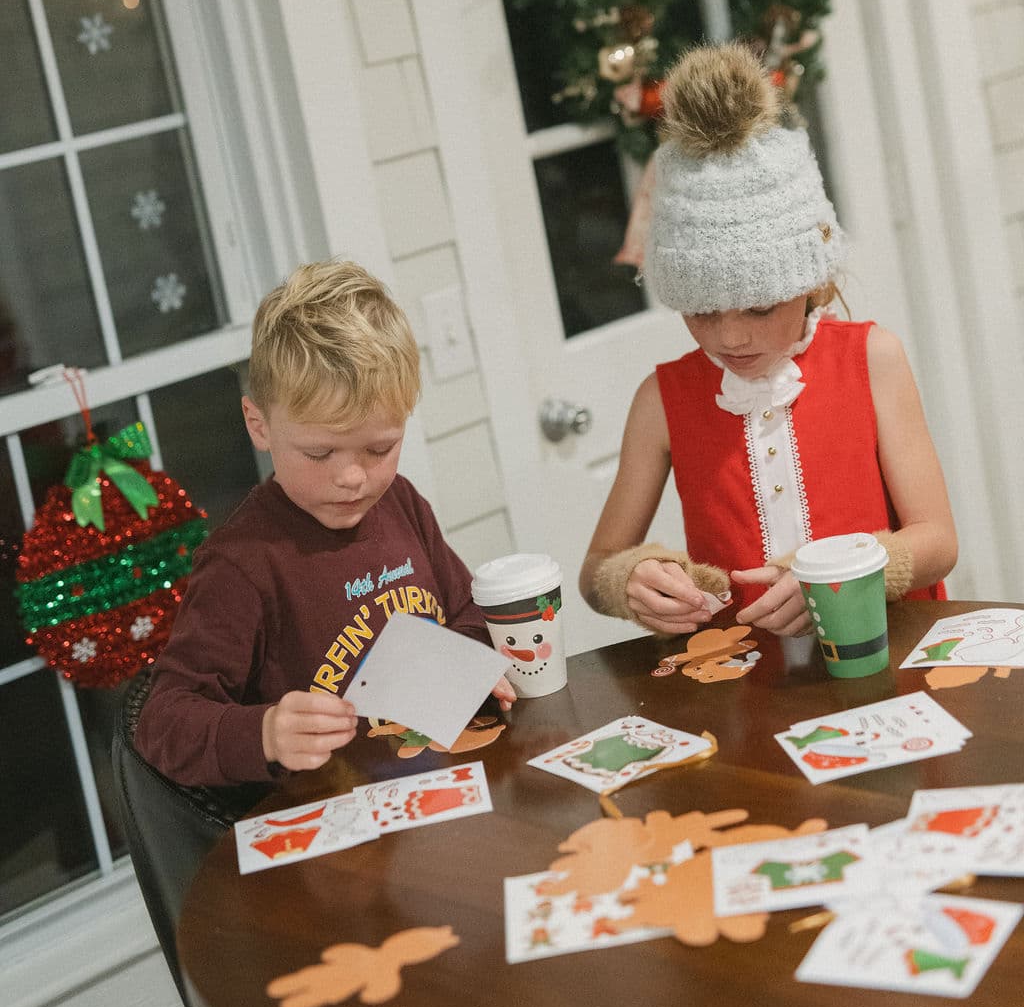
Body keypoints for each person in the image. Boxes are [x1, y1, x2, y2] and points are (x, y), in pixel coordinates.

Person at [581, 41, 957, 641]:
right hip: (749, 679)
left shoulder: (871, 359)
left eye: (760, 307)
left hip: (881, 652)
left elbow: (937, 540)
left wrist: (847, 576)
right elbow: (596, 569)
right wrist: (631, 579)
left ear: (813, 282)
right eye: (702, 312)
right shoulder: (662, 399)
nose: (731, 335)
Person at [136, 260, 514, 787]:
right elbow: (162, 723)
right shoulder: (241, 564)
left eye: (380, 448)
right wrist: (264, 733)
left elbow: (467, 608)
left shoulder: (400, 502)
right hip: (335, 824)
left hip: (436, 784)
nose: (352, 478)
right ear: (259, 425)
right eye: (319, 453)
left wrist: (473, 662)